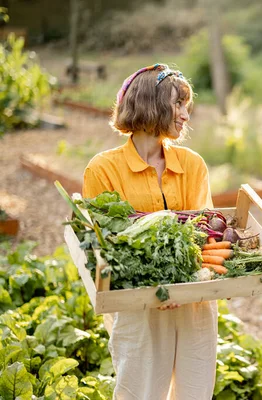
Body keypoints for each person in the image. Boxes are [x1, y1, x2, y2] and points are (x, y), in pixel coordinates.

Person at [82, 64, 217, 400]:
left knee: (195, 391)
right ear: (150, 104)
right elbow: (107, 245)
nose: (186, 115)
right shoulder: (103, 169)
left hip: (193, 301)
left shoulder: (192, 164)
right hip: (138, 303)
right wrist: (157, 288)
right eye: (178, 104)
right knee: (139, 392)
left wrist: (178, 287)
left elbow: (203, 232)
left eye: (187, 105)